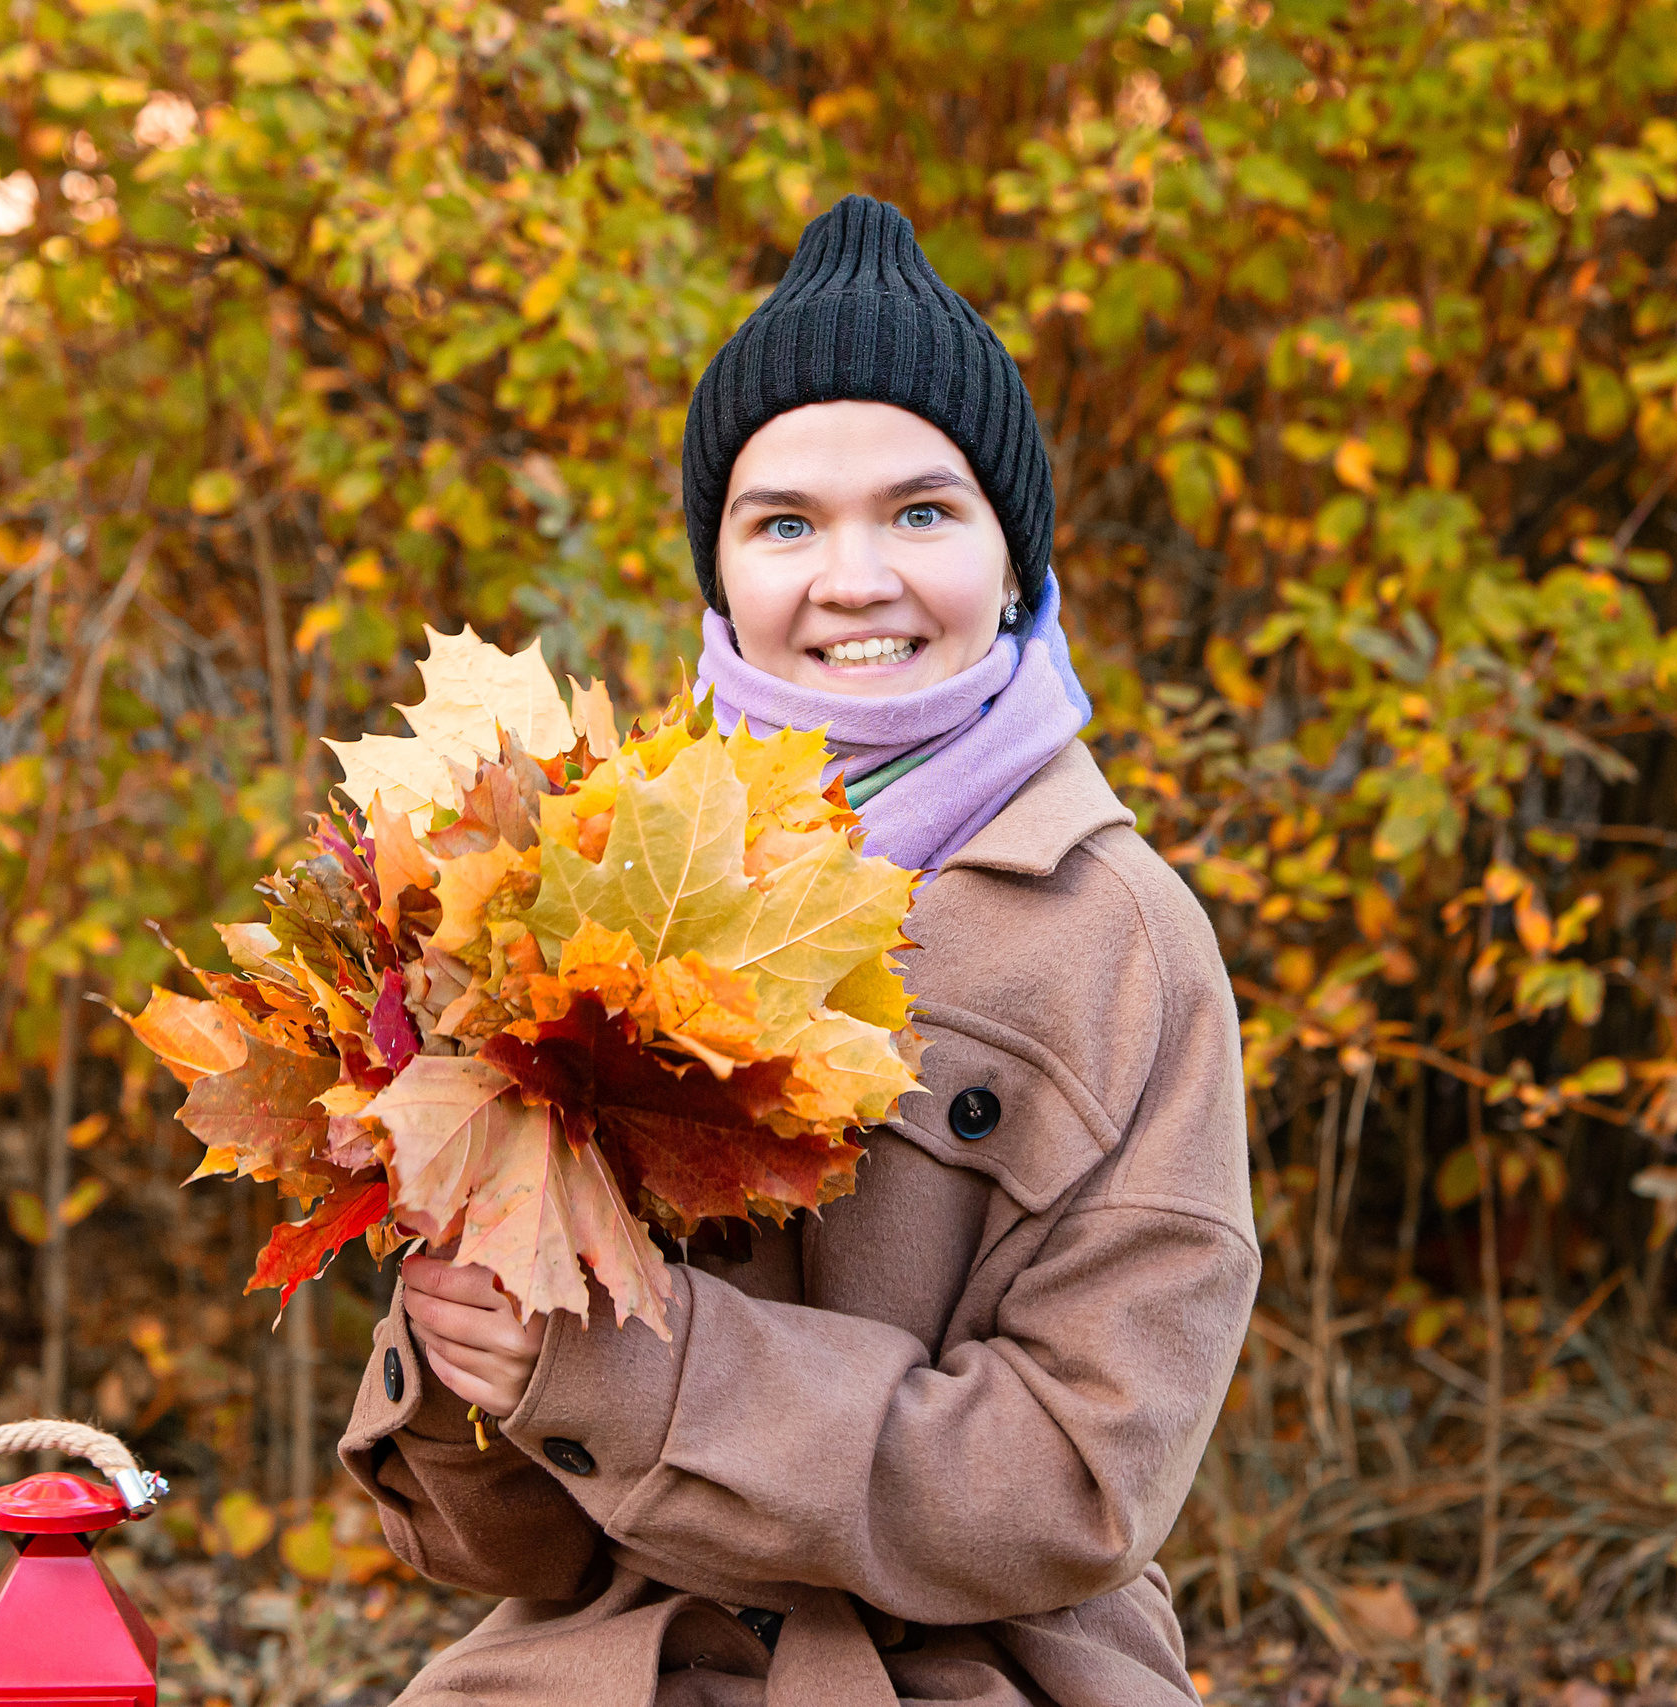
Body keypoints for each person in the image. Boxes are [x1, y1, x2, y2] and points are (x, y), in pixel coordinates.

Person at [338, 193, 1257, 1707]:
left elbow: (1083, 1484)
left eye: (921, 511)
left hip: (979, 1673)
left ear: (1014, 557)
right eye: (784, 523)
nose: (852, 578)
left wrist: (649, 1379)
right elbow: (515, 1555)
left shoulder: (1125, 947)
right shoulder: (581, 884)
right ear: (721, 578)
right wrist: (465, 1369)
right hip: (597, 1667)